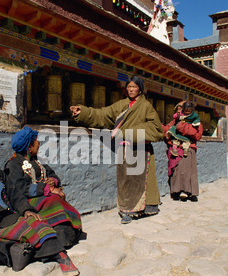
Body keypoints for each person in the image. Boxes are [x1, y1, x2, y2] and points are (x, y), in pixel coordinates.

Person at [0, 141, 80, 276]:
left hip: (5, 218)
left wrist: (26, 210)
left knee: (37, 223)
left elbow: (14, 195)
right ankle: (29, 251)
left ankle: (61, 256)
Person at [70, 76, 164, 224]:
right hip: (125, 150)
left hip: (141, 148)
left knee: (142, 180)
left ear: (140, 88)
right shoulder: (122, 104)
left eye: (134, 87)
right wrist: (82, 112)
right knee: (126, 180)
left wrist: (127, 133)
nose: (131, 90)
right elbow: (103, 115)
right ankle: (127, 210)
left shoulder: (146, 106)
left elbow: (157, 130)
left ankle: (147, 207)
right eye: (129, 87)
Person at [4, 127, 83, 275]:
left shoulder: (36, 162)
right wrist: (46, 189)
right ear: (29, 147)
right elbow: (19, 189)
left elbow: (52, 173)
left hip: (42, 197)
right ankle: (59, 237)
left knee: (56, 198)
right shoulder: (13, 165)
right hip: (26, 204)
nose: (39, 144)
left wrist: (52, 182)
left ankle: (67, 234)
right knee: (53, 200)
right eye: (36, 142)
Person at [162, 101, 203, 202]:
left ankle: (188, 191)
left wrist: (183, 127)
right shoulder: (174, 122)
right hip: (175, 148)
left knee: (187, 170)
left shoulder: (195, 121)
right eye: (179, 109)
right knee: (176, 170)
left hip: (188, 148)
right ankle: (176, 191)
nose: (181, 111)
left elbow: (197, 135)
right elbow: (167, 129)